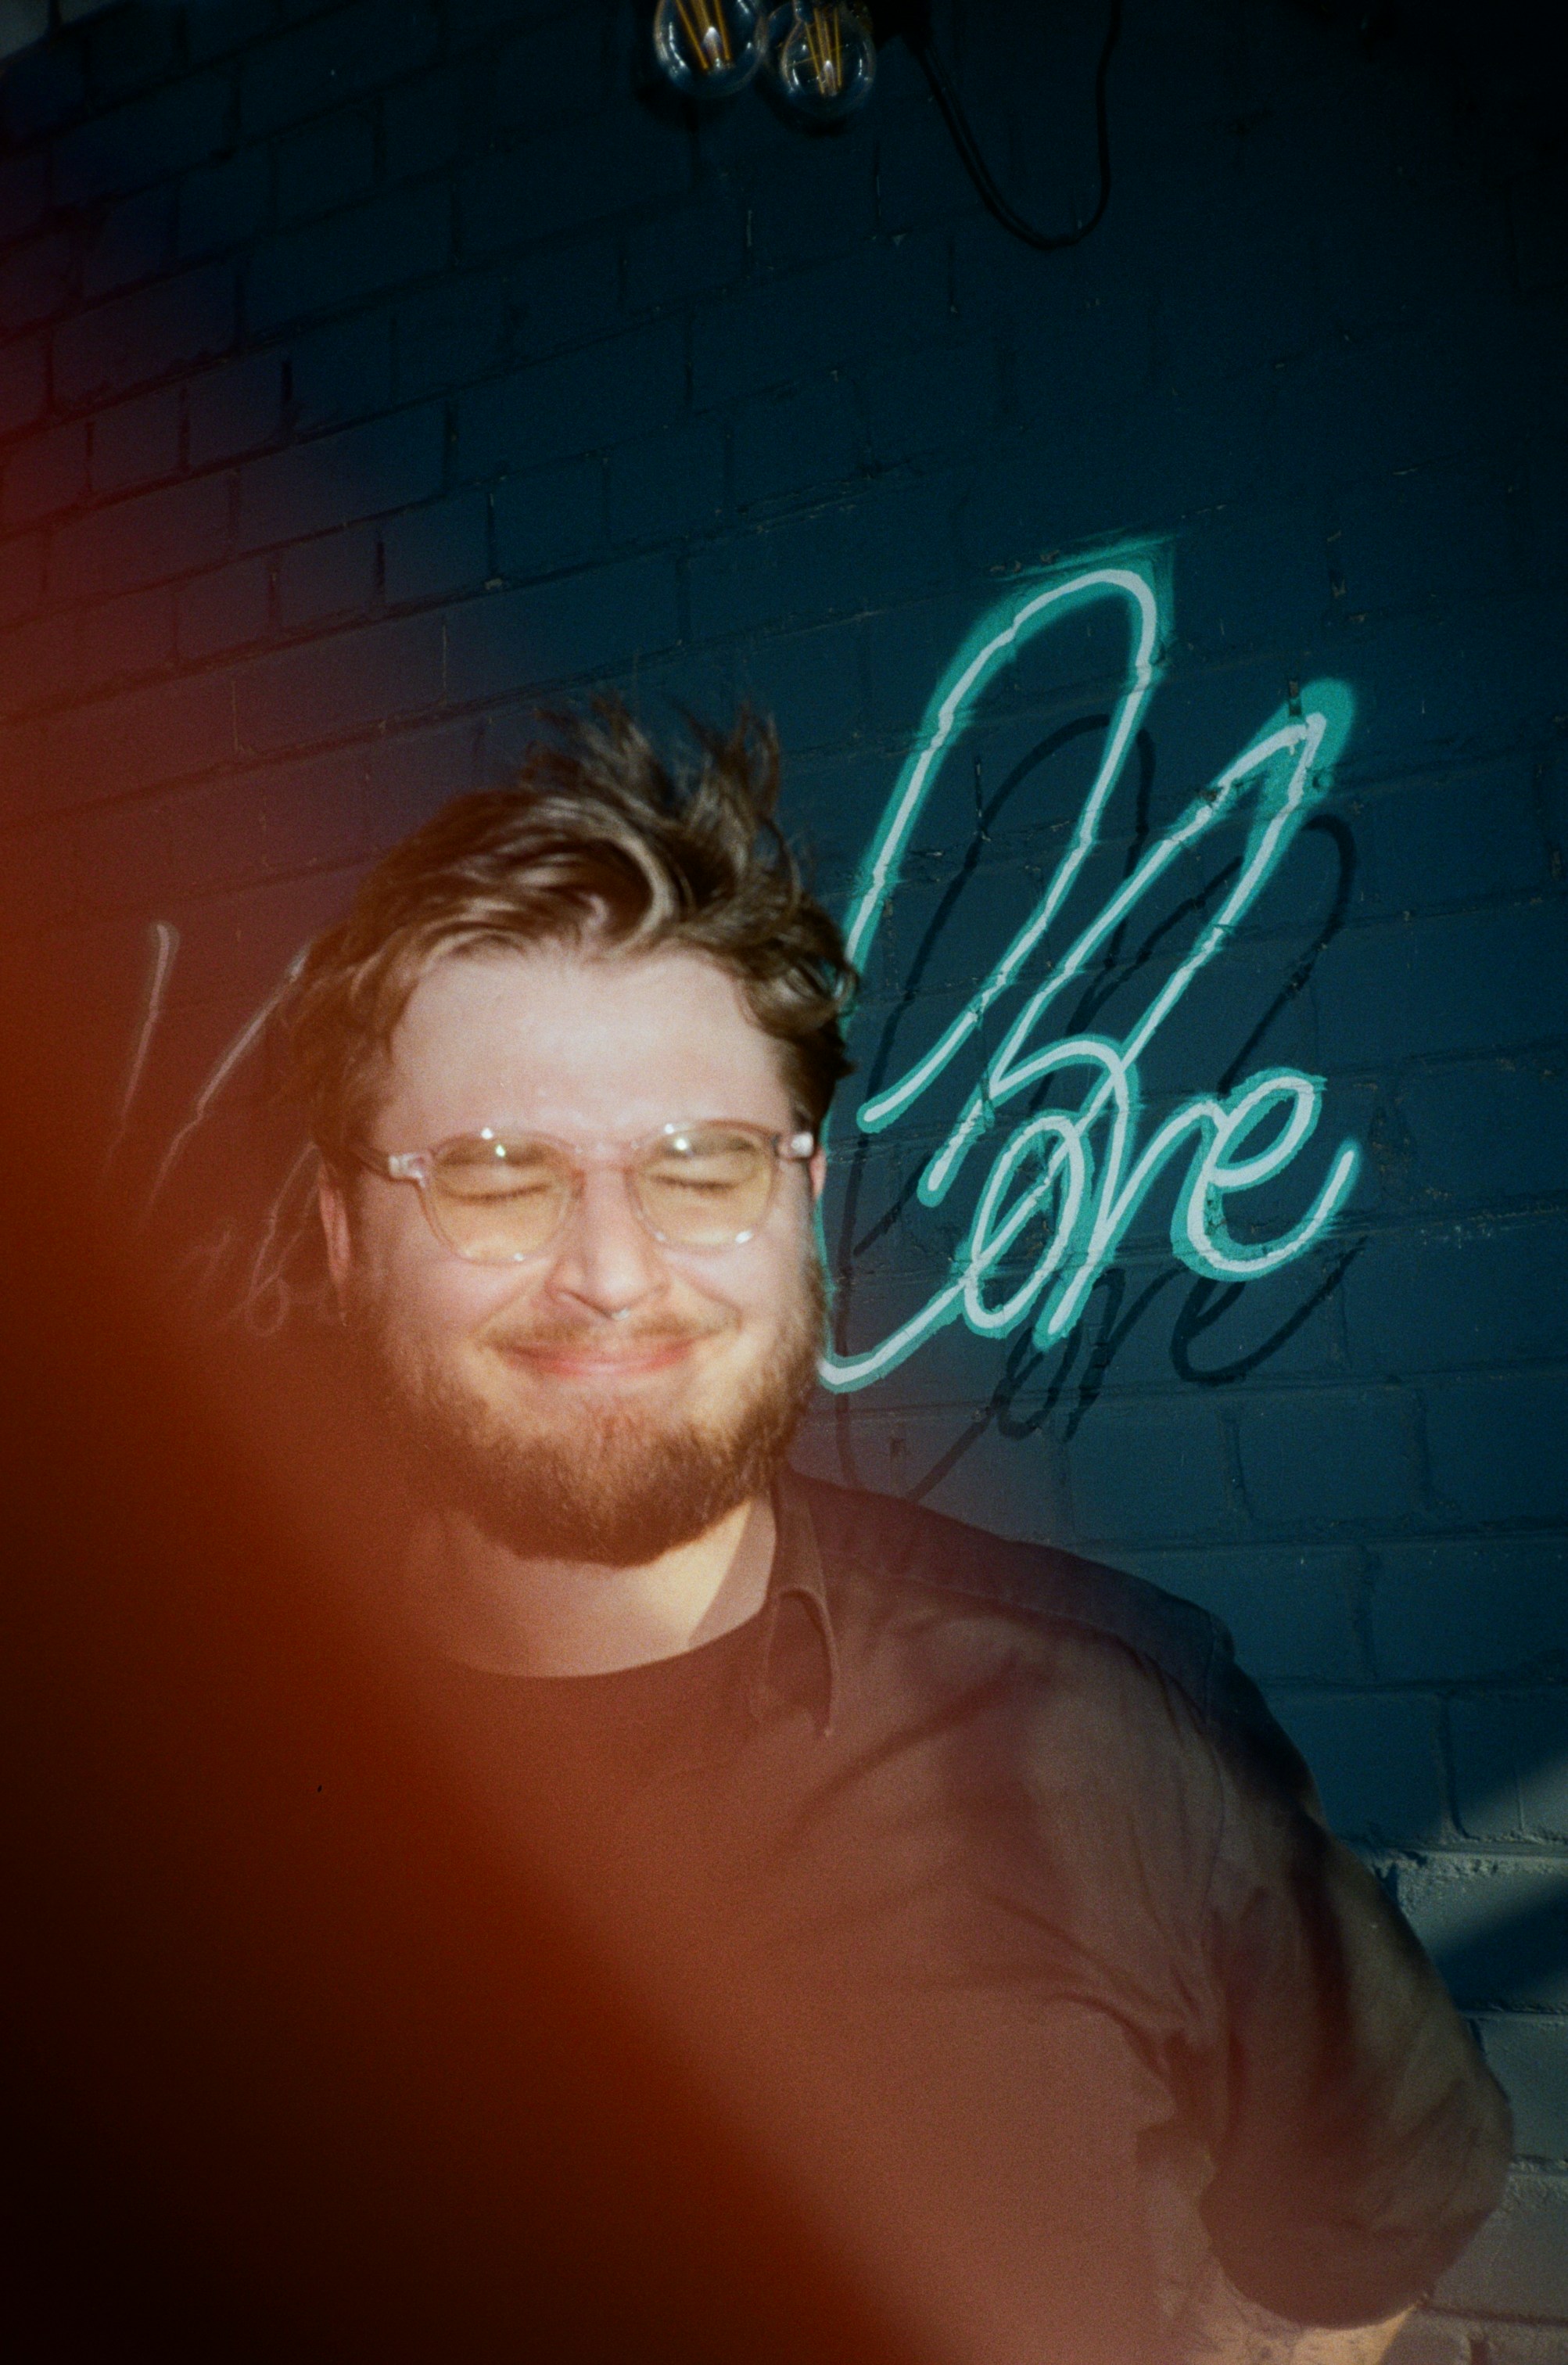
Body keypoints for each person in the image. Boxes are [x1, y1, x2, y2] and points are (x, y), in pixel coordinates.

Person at [279, 705, 1509, 2365]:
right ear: (345, 1236)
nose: (614, 1273)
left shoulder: (1110, 1718)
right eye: (496, 1177)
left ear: (800, 1205)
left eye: (702, 1167)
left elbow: (1356, 2225)